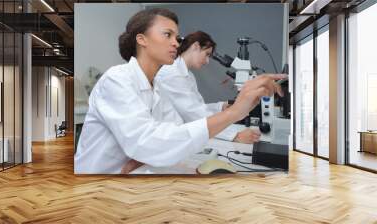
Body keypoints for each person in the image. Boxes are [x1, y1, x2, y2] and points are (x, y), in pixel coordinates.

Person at [74, 8, 286, 174]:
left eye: (176, 37)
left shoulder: (155, 87)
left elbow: (176, 130)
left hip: (134, 172)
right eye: (167, 34)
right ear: (142, 39)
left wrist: (143, 156)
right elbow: (149, 142)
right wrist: (233, 113)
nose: (176, 42)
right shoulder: (117, 79)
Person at [156, 31, 261, 144]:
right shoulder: (173, 74)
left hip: (182, 135)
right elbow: (195, 114)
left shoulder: (187, 75)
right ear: (195, 46)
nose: (207, 61)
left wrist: (221, 107)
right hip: (170, 140)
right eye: (207, 54)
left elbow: (197, 107)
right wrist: (235, 135)